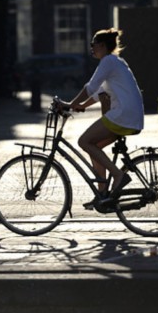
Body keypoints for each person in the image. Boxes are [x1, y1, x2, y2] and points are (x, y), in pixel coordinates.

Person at [58, 28, 144, 208]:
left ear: (102, 45)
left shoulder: (108, 61)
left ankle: (119, 176)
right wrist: (80, 106)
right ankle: (103, 194)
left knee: (84, 141)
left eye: (93, 44)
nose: (91, 48)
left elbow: (90, 87)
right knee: (94, 147)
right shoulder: (114, 62)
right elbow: (99, 93)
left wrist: (70, 104)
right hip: (128, 115)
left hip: (122, 115)